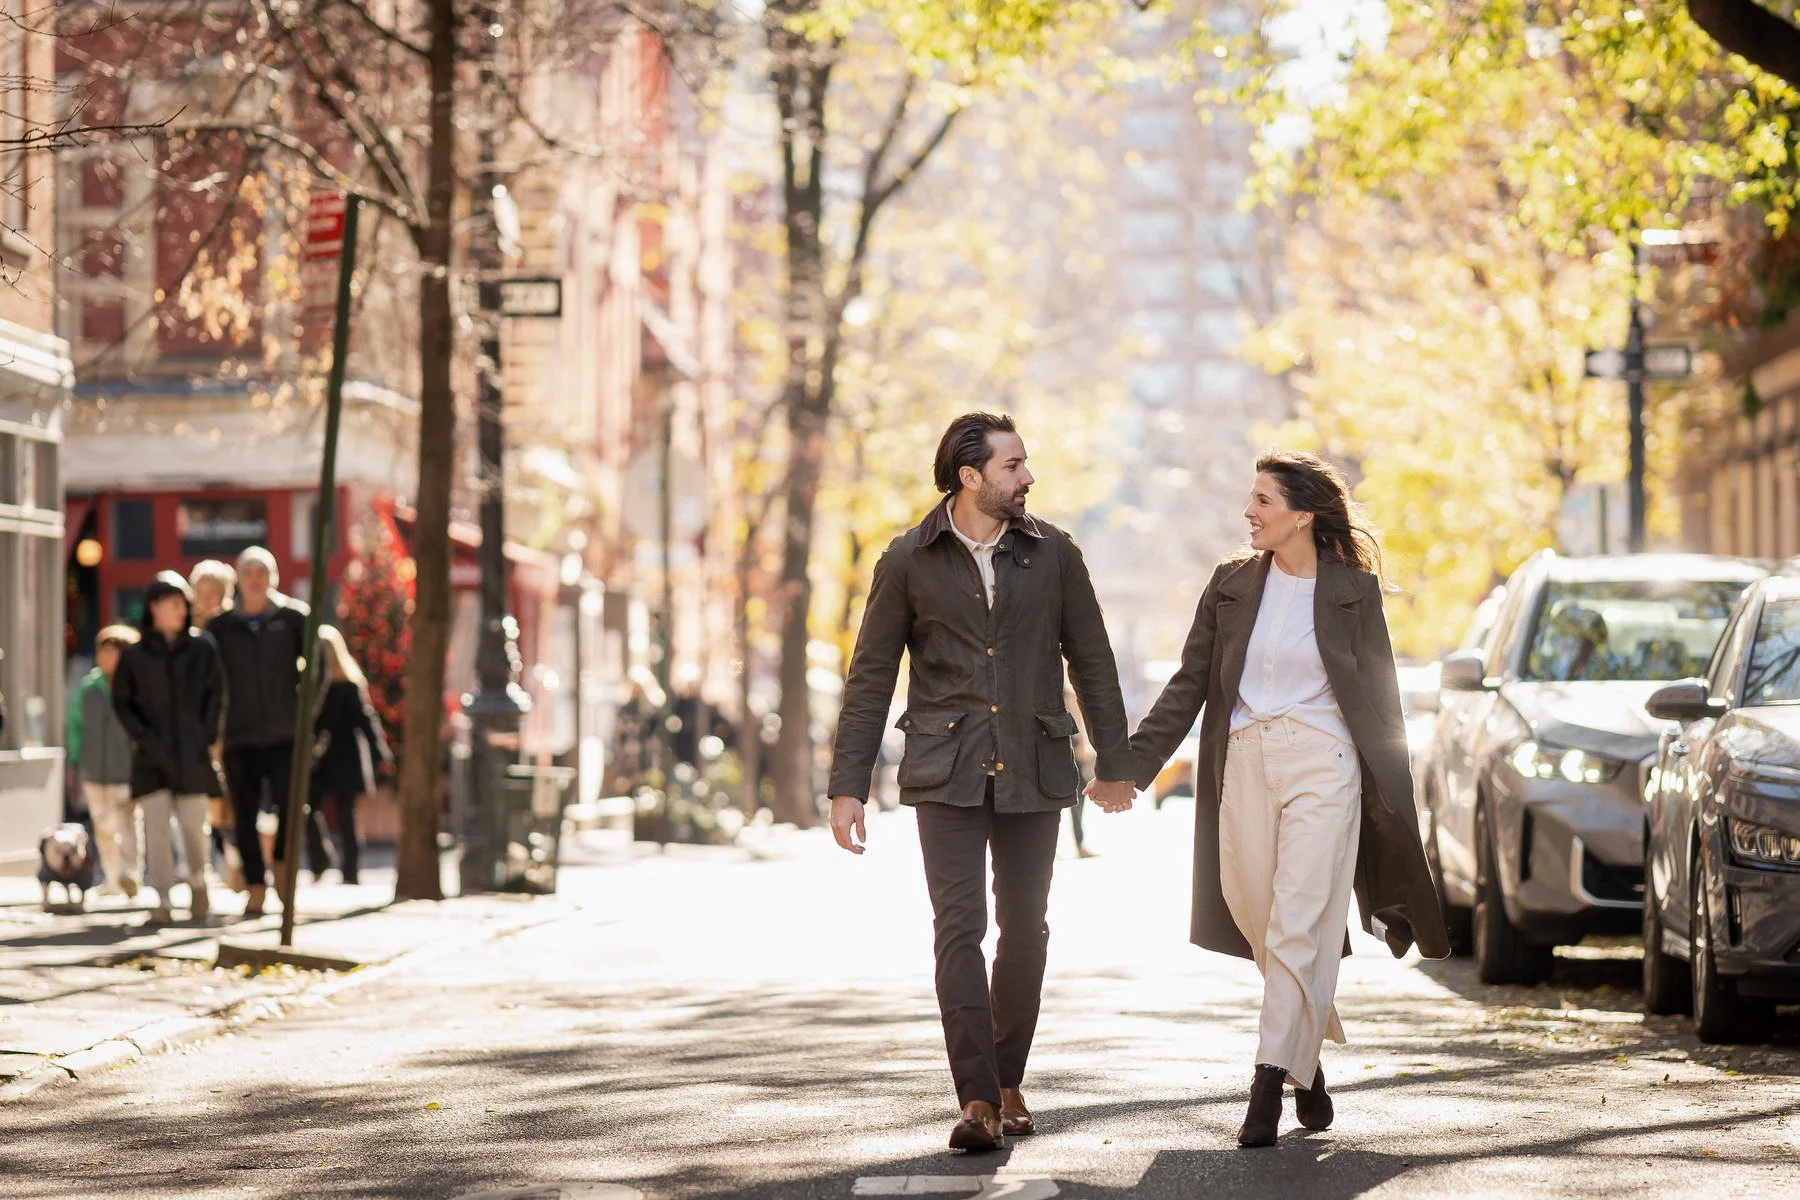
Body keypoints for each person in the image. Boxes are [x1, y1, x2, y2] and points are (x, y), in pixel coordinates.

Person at [1103, 451, 1449, 1148]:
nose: (1249, 512)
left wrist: (1393, 803)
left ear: (1303, 515)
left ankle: (1265, 1083)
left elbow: (1383, 708)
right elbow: (1189, 684)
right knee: (1258, 912)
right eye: (1250, 499)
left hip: (1325, 762)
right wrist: (1131, 768)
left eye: (1262, 500)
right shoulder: (1231, 585)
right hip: (1245, 763)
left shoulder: (1354, 591)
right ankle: (1306, 1064)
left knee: (1298, 919)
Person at [827, 412, 1136, 1153]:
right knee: (959, 929)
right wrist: (848, 783)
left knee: (1025, 931)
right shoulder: (908, 558)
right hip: (946, 770)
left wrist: (1118, 765)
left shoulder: (1056, 554)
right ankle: (976, 1098)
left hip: (1035, 764)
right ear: (970, 477)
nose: (1028, 476)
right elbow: (871, 679)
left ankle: (1006, 1077)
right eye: (1013, 466)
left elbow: (1092, 662)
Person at [111, 572, 225, 925]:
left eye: (184, 604)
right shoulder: (135, 655)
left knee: (195, 826)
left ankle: (199, 885)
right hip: (151, 757)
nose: (182, 610)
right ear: (154, 607)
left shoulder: (203, 647)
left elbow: (216, 695)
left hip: (193, 755)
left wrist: (205, 737)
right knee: (156, 829)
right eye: (174, 603)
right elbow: (122, 703)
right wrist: (145, 737)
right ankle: (160, 899)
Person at [207, 546, 308, 917]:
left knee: (293, 806)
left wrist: (306, 713)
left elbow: (317, 671)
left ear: (274, 578)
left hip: (285, 734)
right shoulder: (220, 627)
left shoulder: (295, 618)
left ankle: (281, 861)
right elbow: (210, 682)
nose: (256, 580)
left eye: (263, 572)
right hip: (238, 736)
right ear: (238, 579)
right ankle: (255, 885)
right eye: (249, 572)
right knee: (243, 815)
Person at [309, 625, 391, 885]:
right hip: (319, 758)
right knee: (307, 809)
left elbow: (365, 721)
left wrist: (380, 753)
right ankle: (320, 858)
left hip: (345, 757)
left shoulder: (347, 686)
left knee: (346, 814)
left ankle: (350, 871)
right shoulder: (309, 687)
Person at [68, 625, 143, 898]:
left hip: (126, 770)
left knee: (127, 823)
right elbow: (75, 725)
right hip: (93, 769)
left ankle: (130, 874)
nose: (107, 656)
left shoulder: (136, 686)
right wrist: (74, 760)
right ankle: (111, 877)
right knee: (102, 826)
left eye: (113, 651)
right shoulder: (88, 687)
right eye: (103, 650)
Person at [188, 558, 242, 888]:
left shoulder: (230, 628)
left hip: (227, 729)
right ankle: (201, 870)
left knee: (226, 802)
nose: (207, 598)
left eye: (214, 591)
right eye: (202, 591)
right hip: (193, 728)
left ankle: (233, 867)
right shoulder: (185, 629)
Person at [188, 559, 237, 627]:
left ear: (223, 594)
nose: (206, 598)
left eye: (212, 592)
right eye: (201, 592)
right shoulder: (186, 623)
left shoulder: (234, 622)